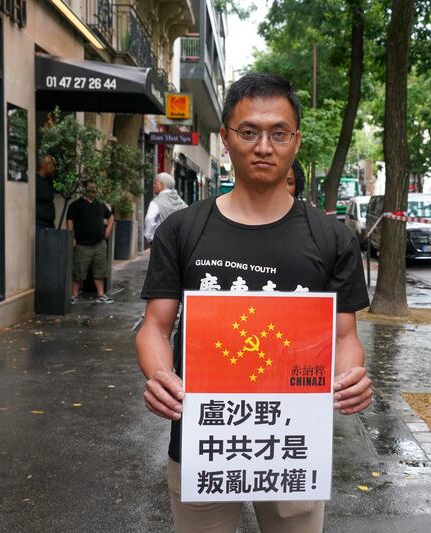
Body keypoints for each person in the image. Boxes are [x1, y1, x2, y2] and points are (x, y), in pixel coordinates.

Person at [136, 73, 372, 533]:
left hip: (292, 445)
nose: (264, 146)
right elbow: (154, 326)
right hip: (203, 441)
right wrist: (160, 375)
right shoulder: (183, 230)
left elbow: (345, 336)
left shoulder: (332, 238)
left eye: (278, 133)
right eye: (249, 132)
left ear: (296, 142)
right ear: (225, 139)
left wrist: (350, 378)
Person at [67, 181, 115, 304]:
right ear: (85, 189)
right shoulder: (76, 205)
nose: (94, 191)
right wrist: (71, 237)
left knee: (100, 270)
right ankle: (74, 294)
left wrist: (108, 229)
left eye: (95, 189)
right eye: (91, 189)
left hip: (99, 244)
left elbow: (110, 216)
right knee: (78, 270)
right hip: (83, 244)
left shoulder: (100, 204)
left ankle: (101, 294)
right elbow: (70, 221)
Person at [144, 172, 188, 243]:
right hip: (179, 243)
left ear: (161, 185)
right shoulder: (182, 203)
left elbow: (149, 219)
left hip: (162, 243)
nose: (154, 185)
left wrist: (150, 238)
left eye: (155, 183)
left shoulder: (156, 202)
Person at [35, 155, 57, 229]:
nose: (53, 168)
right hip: (40, 223)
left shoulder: (49, 180)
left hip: (49, 222)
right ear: (44, 165)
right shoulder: (35, 180)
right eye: (51, 165)